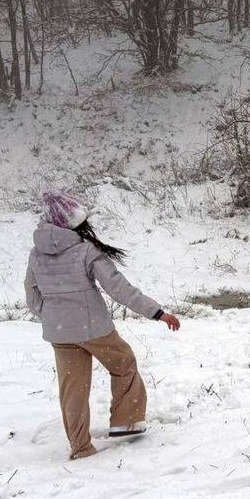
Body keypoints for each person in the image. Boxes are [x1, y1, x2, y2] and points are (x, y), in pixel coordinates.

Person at [24, 190, 180, 460]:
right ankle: (126, 423)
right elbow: (119, 288)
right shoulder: (85, 250)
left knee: (72, 390)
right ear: (73, 222)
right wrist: (157, 312)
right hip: (93, 328)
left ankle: (80, 447)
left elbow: (31, 293)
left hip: (60, 333)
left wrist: (53, 315)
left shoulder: (37, 254)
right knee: (124, 363)